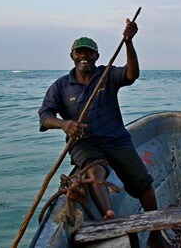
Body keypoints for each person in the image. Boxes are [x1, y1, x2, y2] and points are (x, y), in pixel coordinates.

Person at [38, 20, 168, 248]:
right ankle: (109, 215)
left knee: (143, 182)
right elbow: (45, 116)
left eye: (89, 53)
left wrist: (129, 43)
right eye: (80, 52)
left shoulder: (106, 74)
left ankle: (156, 231)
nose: (84, 57)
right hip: (84, 143)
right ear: (72, 56)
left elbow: (131, 74)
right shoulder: (60, 86)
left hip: (116, 138)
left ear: (97, 57)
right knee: (93, 168)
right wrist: (65, 124)